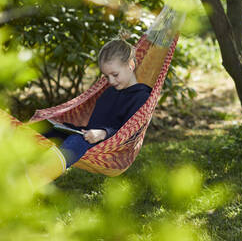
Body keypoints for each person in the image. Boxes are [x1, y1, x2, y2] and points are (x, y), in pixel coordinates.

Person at [27, 36, 151, 186]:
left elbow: (129, 131)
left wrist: (104, 133)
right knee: (44, 126)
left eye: (115, 75)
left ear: (130, 65)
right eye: (106, 76)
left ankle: (34, 179)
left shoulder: (142, 97)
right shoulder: (110, 91)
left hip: (110, 146)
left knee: (77, 140)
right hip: (89, 135)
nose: (110, 81)